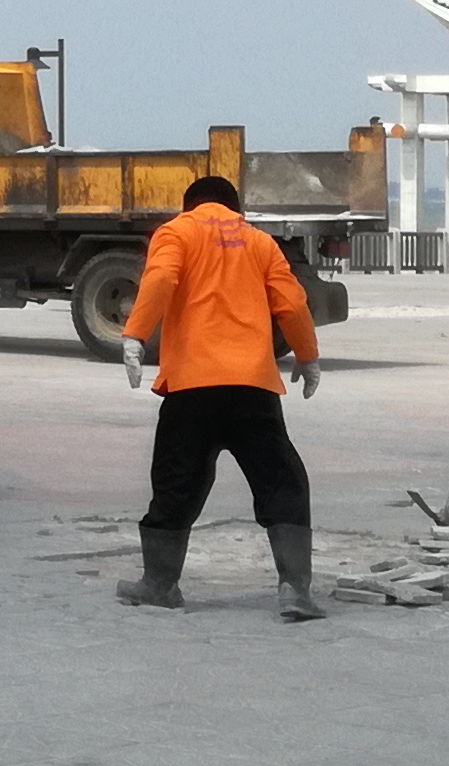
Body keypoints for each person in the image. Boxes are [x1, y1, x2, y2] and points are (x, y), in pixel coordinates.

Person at [115, 173, 325, 621]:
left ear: (191, 205)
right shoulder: (260, 242)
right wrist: (307, 358)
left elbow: (160, 279)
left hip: (192, 386)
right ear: (236, 208)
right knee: (281, 481)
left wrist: (135, 335)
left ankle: (159, 584)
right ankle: (295, 590)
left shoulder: (177, 231)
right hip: (253, 386)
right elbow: (291, 302)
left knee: (176, 482)